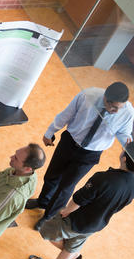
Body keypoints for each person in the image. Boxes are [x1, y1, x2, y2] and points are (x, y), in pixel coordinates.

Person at [27, 82, 133, 231]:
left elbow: (123, 133)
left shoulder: (127, 112)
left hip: (91, 153)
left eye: (120, 108)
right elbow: (66, 114)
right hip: (69, 141)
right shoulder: (88, 95)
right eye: (114, 107)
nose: (116, 111)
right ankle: (43, 201)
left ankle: (49, 216)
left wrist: (127, 144)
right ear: (106, 99)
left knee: (66, 186)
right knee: (52, 175)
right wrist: (50, 132)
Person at [29, 145, 134, 259]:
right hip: (97, 224)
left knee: (45, 229)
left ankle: (72, 256)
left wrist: (67, 211)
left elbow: (79, 199)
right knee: (73, 245)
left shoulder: (103, 178)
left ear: (124, 158)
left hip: (76, 220)